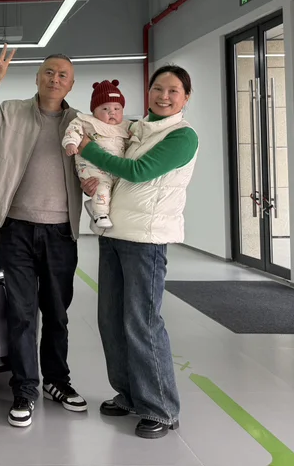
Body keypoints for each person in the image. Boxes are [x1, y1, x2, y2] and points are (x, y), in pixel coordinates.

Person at [0, 45, 87, 428]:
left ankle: (57, 382)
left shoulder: (79, 122)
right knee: (21, 314)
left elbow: (104, 155)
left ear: (71, 85)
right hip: (16, 229)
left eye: (62, 75)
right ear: (37, 78)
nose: (54, 79)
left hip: (61, 233)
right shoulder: (12, 111)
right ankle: (25, 388)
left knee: (57, 314)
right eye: (49, 72)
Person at [75, 64, 198, 440]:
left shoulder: (182, 136)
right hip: (114, 233)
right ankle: (129, 394)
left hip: (146, 240)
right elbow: (115, 173)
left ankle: (161, 408)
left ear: (186, 97)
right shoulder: (137, 129)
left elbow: (139, 171)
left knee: (142, 323)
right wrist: (93, 181)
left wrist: (89, 149)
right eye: (158, 88)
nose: (164, 96)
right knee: (111, 320)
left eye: (173, 91)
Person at [61, 79, 131, 229]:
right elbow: (73, 130)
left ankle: (95, 205)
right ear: (94, 112)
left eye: (117, 108)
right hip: (92, 167)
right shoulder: (86, 122)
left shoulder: (126, 126)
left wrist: (134, 135)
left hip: (116, 168)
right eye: (105, 109)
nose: (112, 112)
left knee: (116, 192)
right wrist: (71, 143)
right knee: (101, 187)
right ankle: (100, 214)